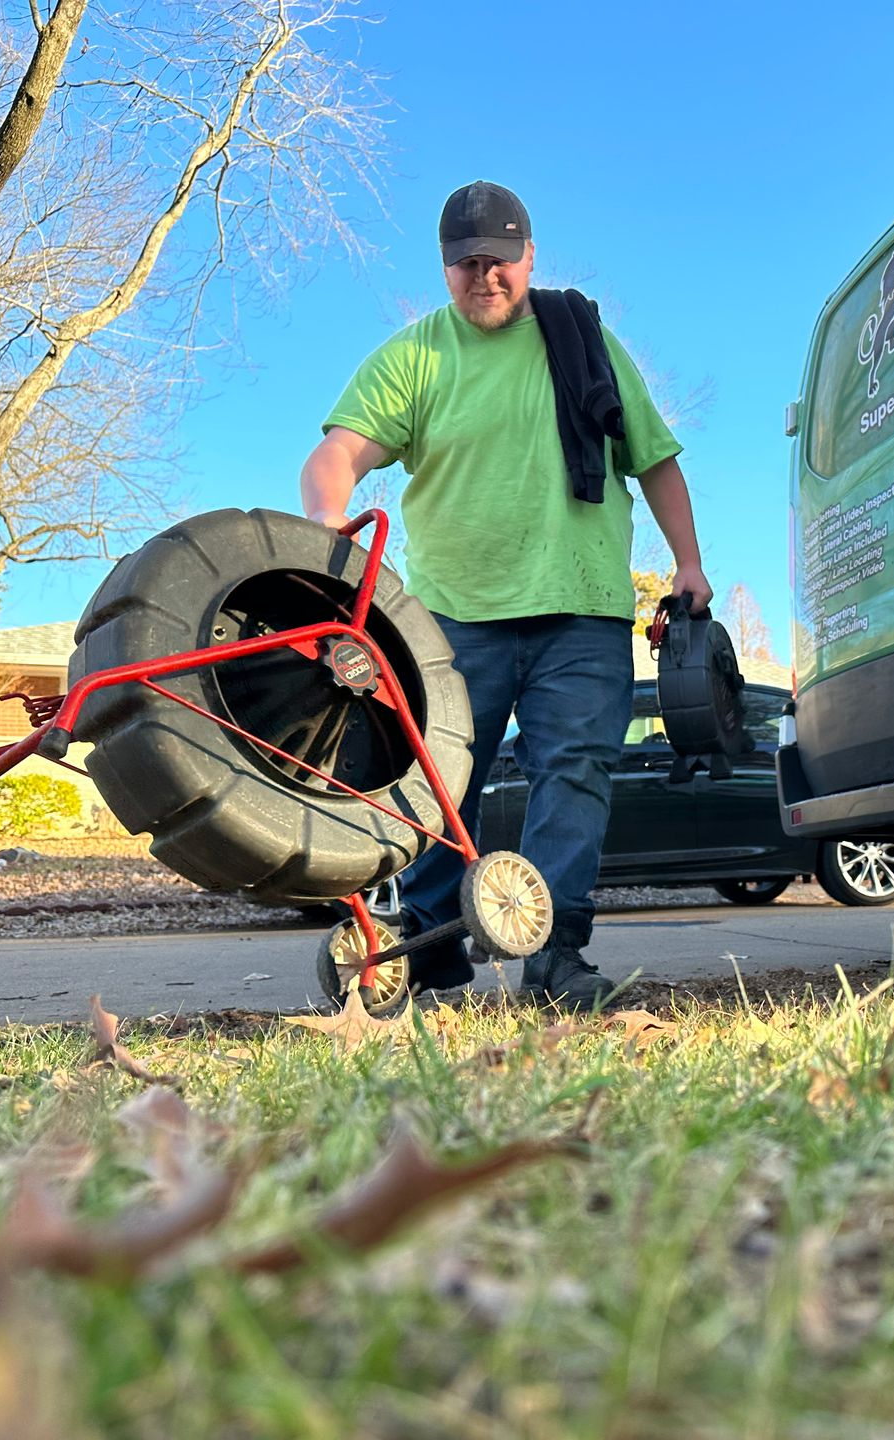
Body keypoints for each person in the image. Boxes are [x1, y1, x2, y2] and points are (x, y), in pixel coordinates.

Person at [300, 180, 711, 1008]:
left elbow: (656, 458)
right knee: (438, 783)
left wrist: (690, 565)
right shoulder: (417, 355)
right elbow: (337, 454)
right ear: (446, 268)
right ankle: (425, 948)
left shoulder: (582, 341)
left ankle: (555, 957)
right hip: (454, 616)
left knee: (576, 771)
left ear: (529, 257)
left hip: (583, 606)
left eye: (499, 261)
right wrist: (328, 530)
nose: (484, 277)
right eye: (466, 264)